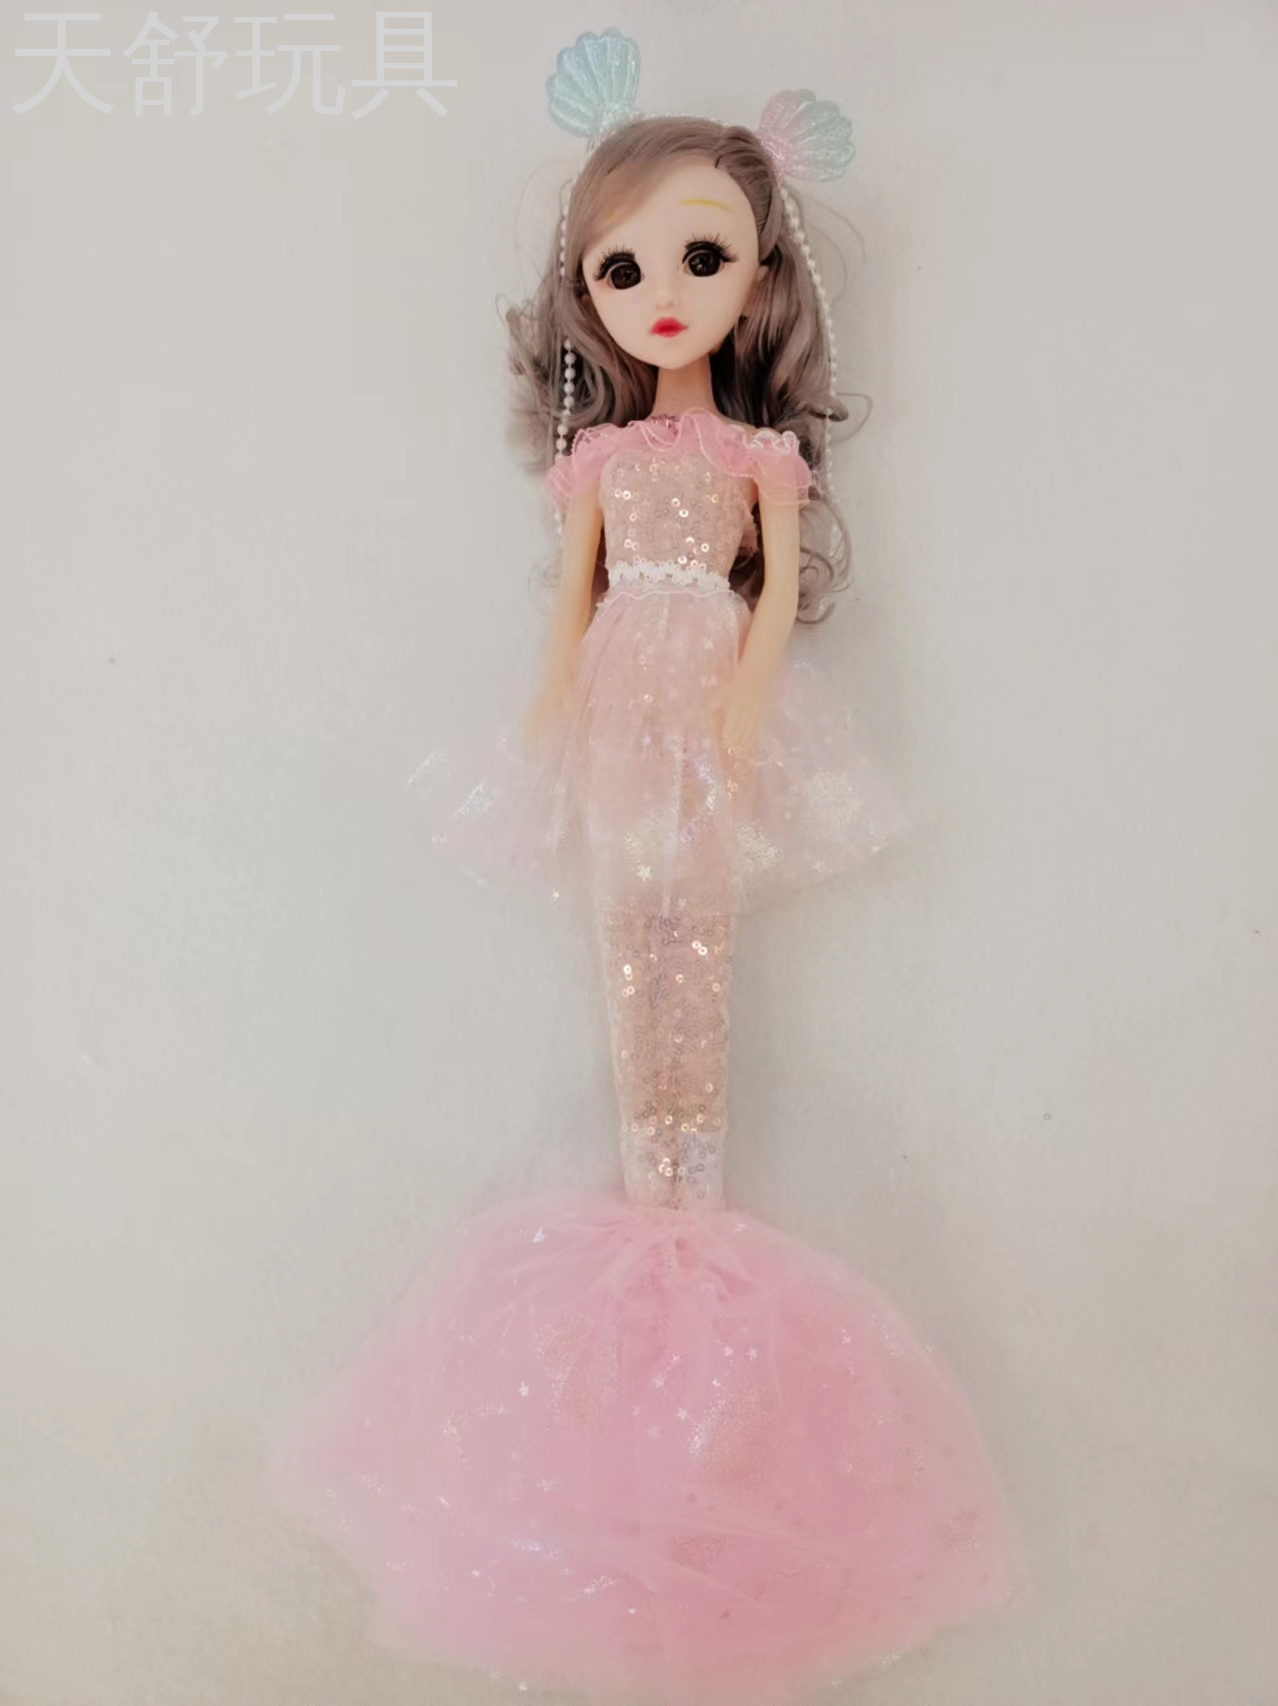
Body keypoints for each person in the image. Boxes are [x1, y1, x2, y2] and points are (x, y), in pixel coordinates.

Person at [266, 30, 1029, 1704]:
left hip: (714, 715)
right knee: (634, 947)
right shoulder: (601, 464)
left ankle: (683, 1204)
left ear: (761, 276)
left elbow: (766, 611)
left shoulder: (758, 460)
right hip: (621, 706)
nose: (662, 292)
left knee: (696, 953)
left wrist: (747, 715)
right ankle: (653, 1200)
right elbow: (569, 612)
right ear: (584, 293)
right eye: (622, 267)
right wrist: (547, 722)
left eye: (700, 255)